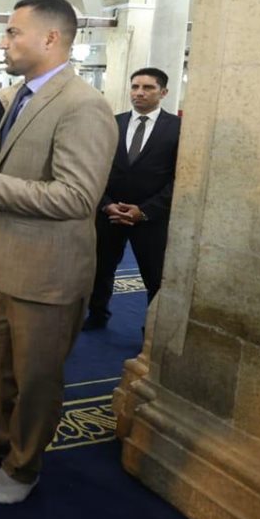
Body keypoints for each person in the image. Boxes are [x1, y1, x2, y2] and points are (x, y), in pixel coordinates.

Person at [0, 0, 116, 504]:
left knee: (35, 378)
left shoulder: (83, 105)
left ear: (50, 38)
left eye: (14, 32)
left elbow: (76, 196)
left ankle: (22, 466)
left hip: (48, 273)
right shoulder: (23, 94)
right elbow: (22, 159)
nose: (4, 42)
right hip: (3, 261)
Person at [84, 67, 181, 330]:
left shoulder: (178, 129)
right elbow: (95, 168)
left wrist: (146, 210)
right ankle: (97, 315)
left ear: (163, 92)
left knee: (155, 277)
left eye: (148, 88)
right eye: (135, 87)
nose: (139, 93)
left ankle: (150, 333)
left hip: (151, 218)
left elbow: (180, 178)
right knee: (100, 270)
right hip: (110, 213)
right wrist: (106, 204)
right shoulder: (112, 123)